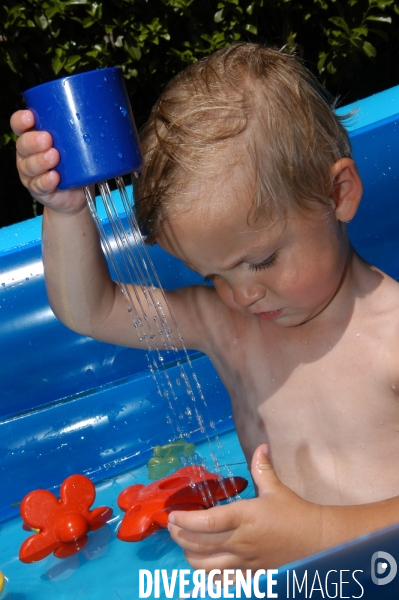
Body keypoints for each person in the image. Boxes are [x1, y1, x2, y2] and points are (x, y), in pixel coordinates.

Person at [11, 43, 399, 572]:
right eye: (213, 275)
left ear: (338, 194)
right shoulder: (229, 326)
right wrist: (63, 209)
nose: (242, 294)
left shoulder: (391, 336)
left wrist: (318, 534)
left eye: (261, 260)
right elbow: (91, 309)